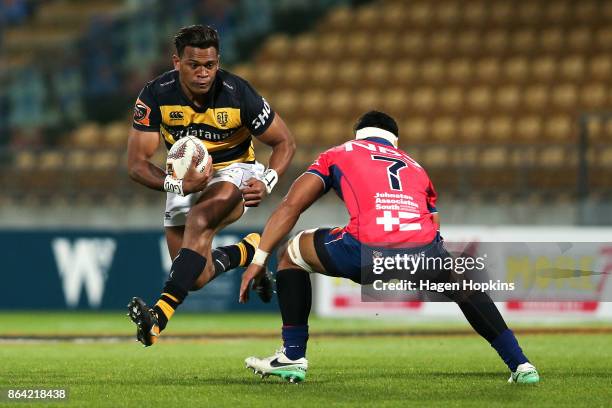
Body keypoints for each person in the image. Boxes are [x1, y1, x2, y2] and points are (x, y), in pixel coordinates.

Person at [239, 111, 539, 384]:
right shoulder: (416, 166)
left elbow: (292, 205)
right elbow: (432, 225)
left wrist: (260, 258)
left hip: (365, 250)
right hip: (423, 251)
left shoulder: (337, 154)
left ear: (358, 133)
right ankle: (521, 365)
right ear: (395, 140)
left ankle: (292, 356)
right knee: (463, 284)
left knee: (292, 253)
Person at [126, 25, 295, 346]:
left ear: (218, 62)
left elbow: (285, 142)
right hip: (184, 180)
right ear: (177, 62)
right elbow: (136, 164)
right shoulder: (156, 94)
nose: (204, 73)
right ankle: (247, 250)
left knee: (200, 220)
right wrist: (176, 185)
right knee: (195, 276)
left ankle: (157, 319)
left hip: (236, 172)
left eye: (210, 65)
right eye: (194, 65)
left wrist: (268, 180)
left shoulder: (238, 92)